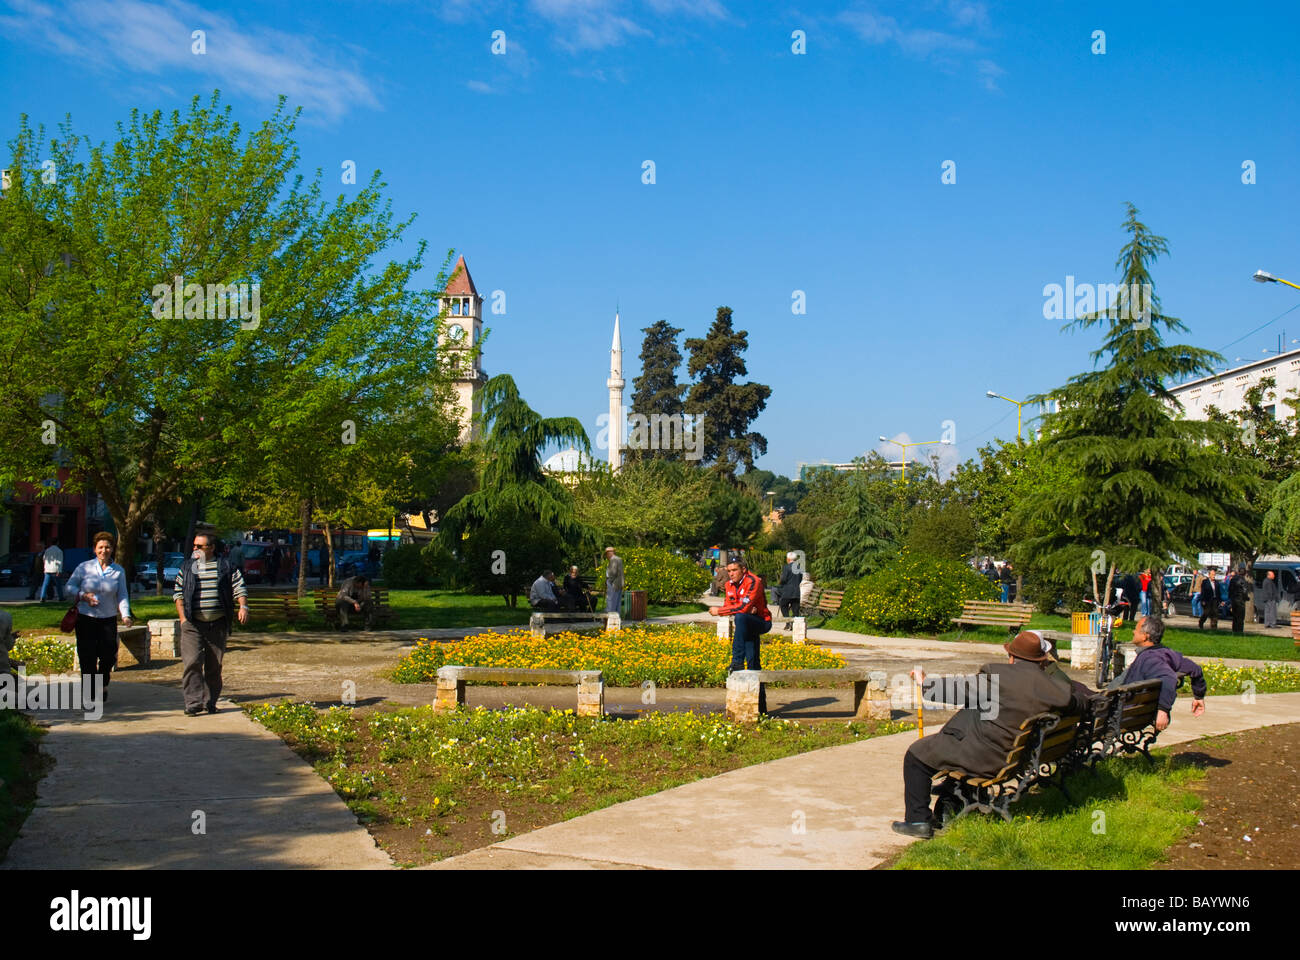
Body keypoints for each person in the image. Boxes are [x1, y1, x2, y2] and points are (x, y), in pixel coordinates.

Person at [892, 630, 1090, 839]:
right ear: (1040, 660)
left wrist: (925, 683)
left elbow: (956, 690)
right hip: (1017, 757)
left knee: (916, 754)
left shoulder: (997, 677)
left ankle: (918, 820)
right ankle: (950, 801)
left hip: (987, 758)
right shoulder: (1053, 687)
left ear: (1012, 657)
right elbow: (1080, 702)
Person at [174, 533, 248, 715]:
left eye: (200, 546)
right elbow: (178, 594)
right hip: (193, 623)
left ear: (211, 548)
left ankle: (210, 702)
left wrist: (243, 606)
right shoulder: (187, 567)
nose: (195, 549)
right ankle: (193, 702)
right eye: (194, 546)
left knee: (214, 665)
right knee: (192, 662)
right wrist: (183, 619)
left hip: (217, 624)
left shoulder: (225, 566)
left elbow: (239, 587)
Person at [65, 532, 133, 705]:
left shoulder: (118, 571)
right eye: (101, 547)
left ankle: (102, 683)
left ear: (113, 549)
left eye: (108, 547)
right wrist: (82, 595)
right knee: (87, 657)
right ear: (95, 549)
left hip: (108, 619)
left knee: (108, 656)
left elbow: (122, 594)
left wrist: (125, 615)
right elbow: (69, 587)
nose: (104, 550)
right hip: (86, 618)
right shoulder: (84, 567)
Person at [1108, 616, 1206, 731]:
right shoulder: (1166, 653)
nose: (1133, 631)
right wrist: (1199, 696)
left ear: (1145, 636)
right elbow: (1195, 669)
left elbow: (1169, 678)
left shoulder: (1149, 659)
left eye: (1136, 629)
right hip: (1129, 709)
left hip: (1116, 711)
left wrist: (1163, 710)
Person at [708, 558, 772, 700]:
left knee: (741, 617)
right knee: (753, 663)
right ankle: (760, 707)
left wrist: (720, 611)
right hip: (746, 625)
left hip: (762, 621)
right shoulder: (729, 585)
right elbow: (730, 606)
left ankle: (736, 661)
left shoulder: (753, 581)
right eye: (729, 571)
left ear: (743, 570)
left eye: (734, 570)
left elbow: (741, 608)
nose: (731, 574)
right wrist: (740, 610)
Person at [776, 551, 802, 630]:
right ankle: (795, 625)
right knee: (795, 609)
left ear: (788, 559)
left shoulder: (786, 567)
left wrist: (780, 582)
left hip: (787, 591)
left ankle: (788, 622)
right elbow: (800, 579)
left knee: (783, 605)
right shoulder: (799, 567)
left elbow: (783, 579)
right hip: (797, 591)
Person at [40, 537, 65, 603]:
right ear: (57, 543)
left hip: (47, 569)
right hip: (55, 569)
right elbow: (60, 561)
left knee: (45, 584)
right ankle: (61, 597)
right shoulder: (59, 551)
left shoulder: (47, 550)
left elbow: (44, 559)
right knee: (58, 585)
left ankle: (42, 597)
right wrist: (59, 571)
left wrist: (45, 567)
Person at [1228, 565, 1249, 635]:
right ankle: (1239, 631)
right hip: (1240, 601)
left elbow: (1230, 590)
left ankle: (1234, 630)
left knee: (1235, 617)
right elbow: (1244, 591)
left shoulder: (1233, 579)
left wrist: (1231, 598)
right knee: (1240, 617)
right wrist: (1246, 598)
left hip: (1234, 600)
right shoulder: (1243, 580)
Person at [604, 547, 624, 616]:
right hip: (619, 583)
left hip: (613, 584)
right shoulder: (619, 559)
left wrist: (608, 580)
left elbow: (613, 573)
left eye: (606, 554)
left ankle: (610, 618)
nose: (606, 556)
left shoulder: (613, 559)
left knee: (611, 602)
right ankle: (617, 620)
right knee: (617, 603)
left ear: (609, 553)